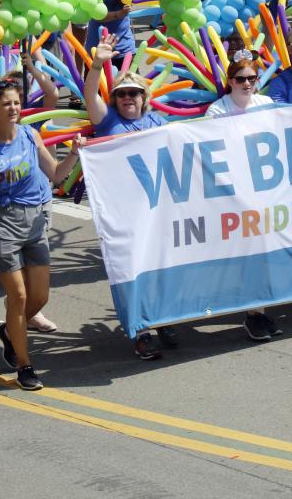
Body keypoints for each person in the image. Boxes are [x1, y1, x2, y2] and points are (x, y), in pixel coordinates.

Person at [0, 78, 81, 391]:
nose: (12, 108)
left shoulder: (29, 134)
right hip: (1, 226)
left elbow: (55, 174)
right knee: (19, 296)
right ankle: (25, 366)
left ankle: (11, 331)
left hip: (34, 222)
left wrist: (74, 154)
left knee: (40, 296)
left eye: (15, 102)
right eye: (6, 103)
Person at [82, 34, 179, 359]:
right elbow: (89, 94)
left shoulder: (157, 121)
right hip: (123, 214)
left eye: (133, 93)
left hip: (157, 208)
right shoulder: (107, 121)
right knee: (133, 273)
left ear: (144, 97)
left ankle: (163, 319)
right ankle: (141, 332)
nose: (127, 98)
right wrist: (98, 64)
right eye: (121, 94)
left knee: (162, 267)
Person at [199, 54, 281, 341]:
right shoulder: (217, 111)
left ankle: (260, 310)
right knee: (248, 255)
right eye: (241, 79)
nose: (247, 84)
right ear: (230, 82)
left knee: (265, 253)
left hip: (265, 191)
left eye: (252, 78)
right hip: (234, 194)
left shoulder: (267, 105)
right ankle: (252, 315)